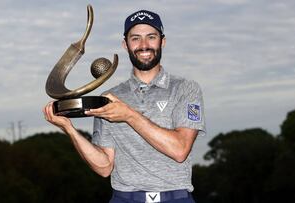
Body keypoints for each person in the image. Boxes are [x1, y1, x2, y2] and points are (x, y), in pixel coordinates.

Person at [43, 9, 206, 203]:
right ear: (125, 44)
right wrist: (69, 129)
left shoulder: (186, 89)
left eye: (151, 37)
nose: (144, 45)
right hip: (124, 198)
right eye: (135, 38)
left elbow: (180, 150)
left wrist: (128, 115)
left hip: (176, 197)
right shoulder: (111, 98)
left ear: (162, 41)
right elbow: (104, 167)